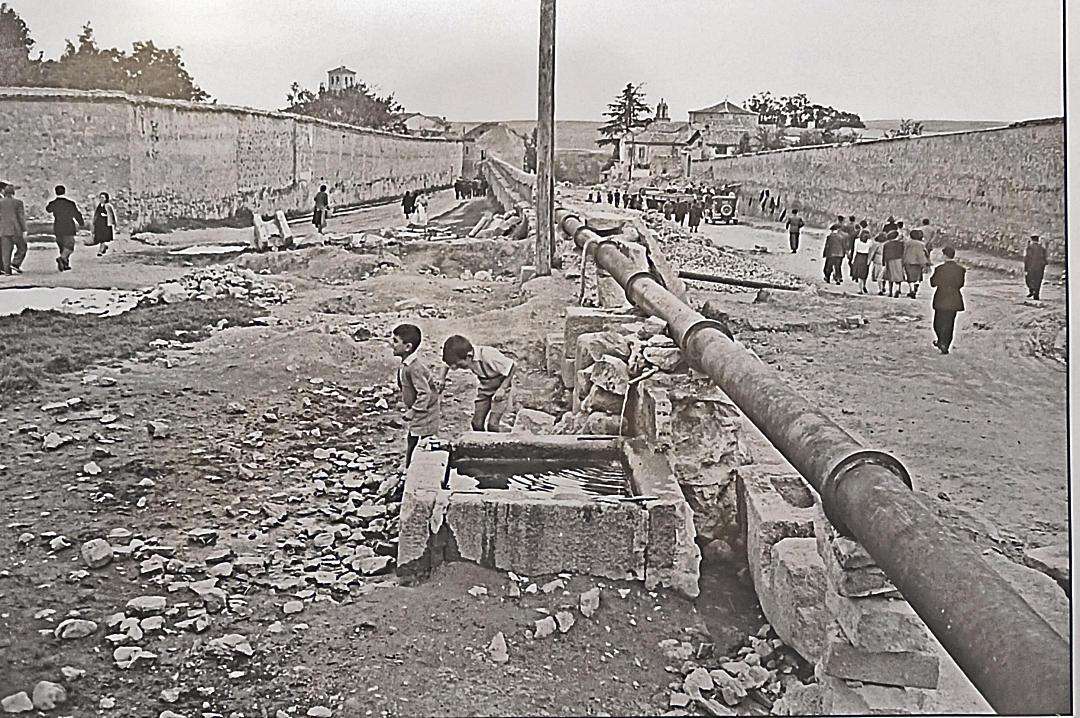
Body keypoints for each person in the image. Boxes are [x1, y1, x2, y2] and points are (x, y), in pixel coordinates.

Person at [392, 323, 441, 469]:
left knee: (425, 439)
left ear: (408, 347)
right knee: (413, 437)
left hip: (425, 411)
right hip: (419, 409)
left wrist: (414, 410)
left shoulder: (415, 368)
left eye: (395, 341)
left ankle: (420, 468)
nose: (392, 345)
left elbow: (424, 392)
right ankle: (411, 467)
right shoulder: (406, 365)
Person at [442, 334, 515, 432]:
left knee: (493, 425)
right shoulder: (463, 356)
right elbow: (446, 364)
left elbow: (512, 366)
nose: (457, 368)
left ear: (469, 356)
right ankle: (481, 445)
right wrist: (441, 379)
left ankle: (499, 443)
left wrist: (502, 388)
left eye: (460, 365)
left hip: (500, 387)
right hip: (485, 388)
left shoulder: (488, 355)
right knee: (476, 424)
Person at [929, 246, 966, 354]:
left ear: (945, 255)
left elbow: (933, 283)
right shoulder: (960, 270)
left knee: (938, 323)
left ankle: (941, 341)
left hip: (941, 297)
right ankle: (946, 344)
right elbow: (960, 284)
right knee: (950, 323)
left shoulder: (939, 269)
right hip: (954, 298)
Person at [45, 185, 84, 272]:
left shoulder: (53, 203)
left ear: (56, 192)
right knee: (69, 246)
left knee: (62, 246)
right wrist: (81, 223)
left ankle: (65, 264)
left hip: (58, 227)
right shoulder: (70, 203)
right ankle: (62, 259)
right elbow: (77, 214)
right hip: (68, 226)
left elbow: (48, 209)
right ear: (64, 191)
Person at [0, 183, 27, 275]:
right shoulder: (18, 203)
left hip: (3, 230)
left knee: (6, 251)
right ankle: (15, 263)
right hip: (16, 229)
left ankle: (7, 270)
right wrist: (24, 229)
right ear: (13, 193)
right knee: (22, 247)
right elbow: (21, 217)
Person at [902, 229, 930, 298]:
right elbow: (926, 253)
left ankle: (912, 290)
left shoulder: (907, 243)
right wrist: (927, 261)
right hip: (919, 261)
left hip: (908, 261)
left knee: (909, 276)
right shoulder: (922, 244)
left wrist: (902, 260)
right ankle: (916, 284)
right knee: (917, 275)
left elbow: (904, 251)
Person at [92, 192, 117, 256]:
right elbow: (96, 214)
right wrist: (94, 221)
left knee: (103, 238)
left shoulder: (108, 206)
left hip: (106, 224)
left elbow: (111, 215)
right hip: (99, 224)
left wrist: (113, 223)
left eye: (103, 197)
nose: (101, 199)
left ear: (106, 198)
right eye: (100, 197)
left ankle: (100, 251)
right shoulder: (99, 206)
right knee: (100, 238)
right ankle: (104, 246)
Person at [882, 230, 906, 297]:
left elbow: (884, 254)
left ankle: (890, 292)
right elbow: (903, 253)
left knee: (890, 277)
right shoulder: (901, 244)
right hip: (899, 260)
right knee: (898, 276)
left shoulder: (886, 244)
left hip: (890, 261)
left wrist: (883, 263)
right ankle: (897, 289)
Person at [1024, 235, 1048, 300]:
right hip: (1040, 268)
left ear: (1032, 240)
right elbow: (1045, 260)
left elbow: (1027, 258)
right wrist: (1043, 266)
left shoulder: (1029, 248)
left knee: (1029, 280)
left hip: (1031, 268)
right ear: (1038, 240)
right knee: (1038, 281)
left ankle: (1032, 290)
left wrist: (1026, 268)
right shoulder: (1042, 249)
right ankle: (1036, 294)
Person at [851, 229, 871, 293]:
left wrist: (853, 259)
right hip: (865, 257)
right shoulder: (869, 242)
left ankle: (860, 289)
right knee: (864, 273)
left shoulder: (857, 241)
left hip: (858, 257)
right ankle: (864, 285)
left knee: (859, 274)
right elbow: (870, 252)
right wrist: (869, 260)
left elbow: (855, 250)